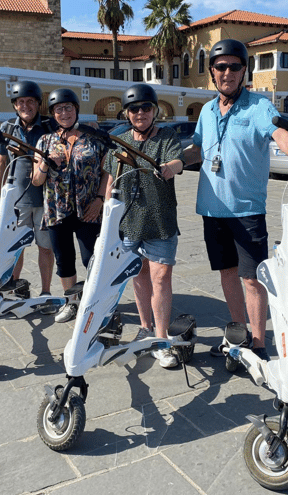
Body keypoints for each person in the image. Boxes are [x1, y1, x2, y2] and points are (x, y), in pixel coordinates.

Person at [182, 39, 288, 362]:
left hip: (247, 210)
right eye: (220, 67)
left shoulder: (258, 107)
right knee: (227, 273)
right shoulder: (206, 110)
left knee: (253, 279)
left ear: (244, 71)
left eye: (234, 66)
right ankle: (237, 332)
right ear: (212, 73)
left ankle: (258, 343)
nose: (227, 72)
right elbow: (198, 149)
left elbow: (280, 135)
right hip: (212, 208)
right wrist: (174, 160)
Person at [103, 84, 184, 368]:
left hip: (160, 220)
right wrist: (107, 215)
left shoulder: (166, 136)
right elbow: (111, 179)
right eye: (134, 109)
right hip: (129, 221)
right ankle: (145, 326)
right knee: (138, 275)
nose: (140, 113)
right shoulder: (119, 140)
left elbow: (178, 160)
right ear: (127, 113)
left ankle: (161, 340)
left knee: (161, 278)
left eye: (146, 108)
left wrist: (170, 168)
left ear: (154, 110)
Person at [32, 89, 108, 323]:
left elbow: (108, 171)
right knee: (64, 259)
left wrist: (99, 199)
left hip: (89, 209)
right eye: (58, 109)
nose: (64, 113)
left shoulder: (94, 137)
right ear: (53, 114)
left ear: (76, 110)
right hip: (57, 210)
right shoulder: (45, 140)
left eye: (68, 108)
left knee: (92, 259)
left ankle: (99, 302)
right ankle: (71, 301)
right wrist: (45, 163)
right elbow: (36, 180)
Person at [0, 82, 54, 299]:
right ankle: (14, 287)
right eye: (21, 102)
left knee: (45, 248)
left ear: (38, 103)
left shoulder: (50, 126)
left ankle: (46, 291)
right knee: (16, 247)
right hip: (17, 200)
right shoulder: (7, 128)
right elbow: (2, 161)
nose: (26, 106)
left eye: (30, 101)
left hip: (46, 200)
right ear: (15, 105)